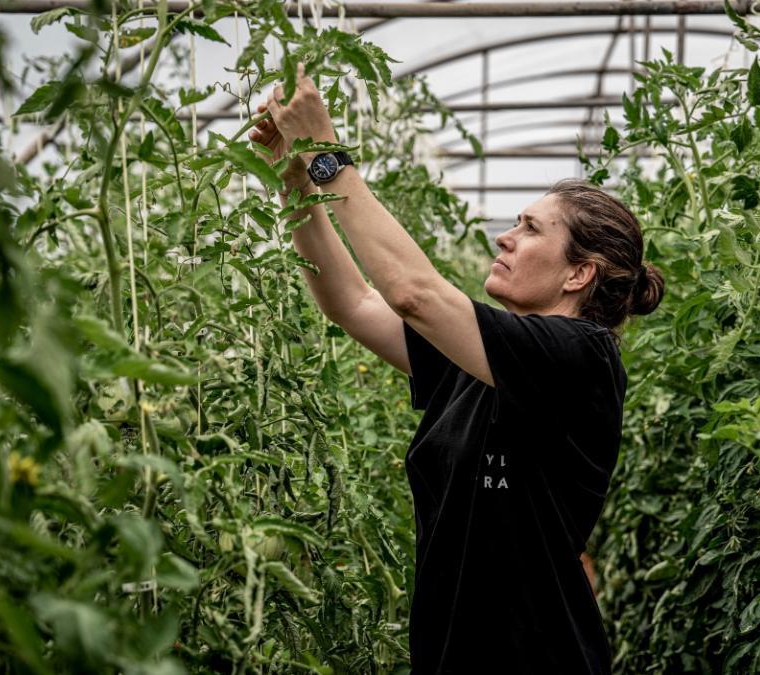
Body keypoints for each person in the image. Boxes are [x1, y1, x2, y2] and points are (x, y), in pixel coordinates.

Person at [248, 66, 664, 675]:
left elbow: (413, 292)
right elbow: (354, 303)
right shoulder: (478, 364)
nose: (504, 236)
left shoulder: (581, 357)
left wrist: (328, 157)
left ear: (580, 274)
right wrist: (297, 185)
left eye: (529, 228)